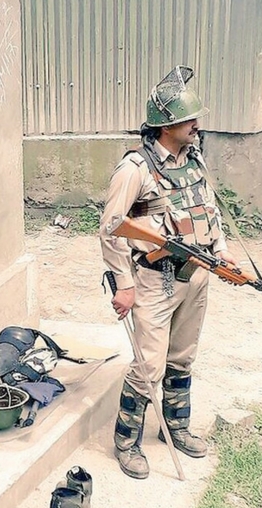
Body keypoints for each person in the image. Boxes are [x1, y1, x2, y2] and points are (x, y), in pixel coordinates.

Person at [99, 66, 236, 479]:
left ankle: (175, 428)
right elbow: (110, 230)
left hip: (197, 274)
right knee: (149, 366)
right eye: (190, 119)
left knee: (182, 358)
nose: (197, 124)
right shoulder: (134, 170)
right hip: (153, 280)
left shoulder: (194, 160)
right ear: (168, 124)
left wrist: (222, 252)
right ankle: (126, 442)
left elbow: (208, 211)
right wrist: (123, 284)